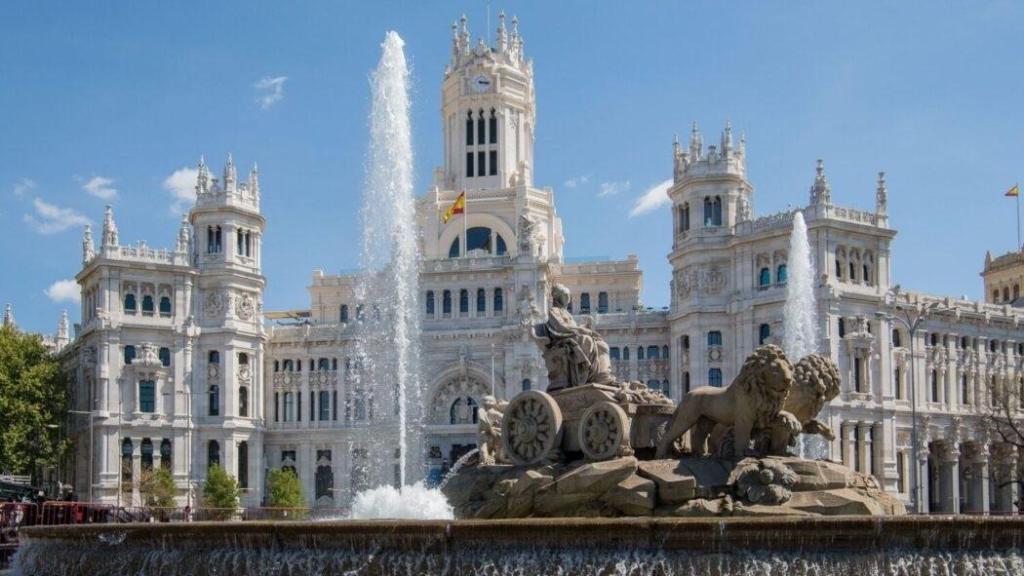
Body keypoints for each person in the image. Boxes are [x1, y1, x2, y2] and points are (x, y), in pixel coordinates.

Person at [532, 284, 615, 390]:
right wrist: (582, 330)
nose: (568, 299)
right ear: (557, 296)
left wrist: (584, 327)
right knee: (587, 340)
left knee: (601, 344)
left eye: (569, 296)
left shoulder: (566, 313)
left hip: (571, 337)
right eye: (566, 296)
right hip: (562, 341)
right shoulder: (554, 311)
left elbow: (572, 328)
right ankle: (584, 371)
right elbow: (560, 327)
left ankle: (601, 375)